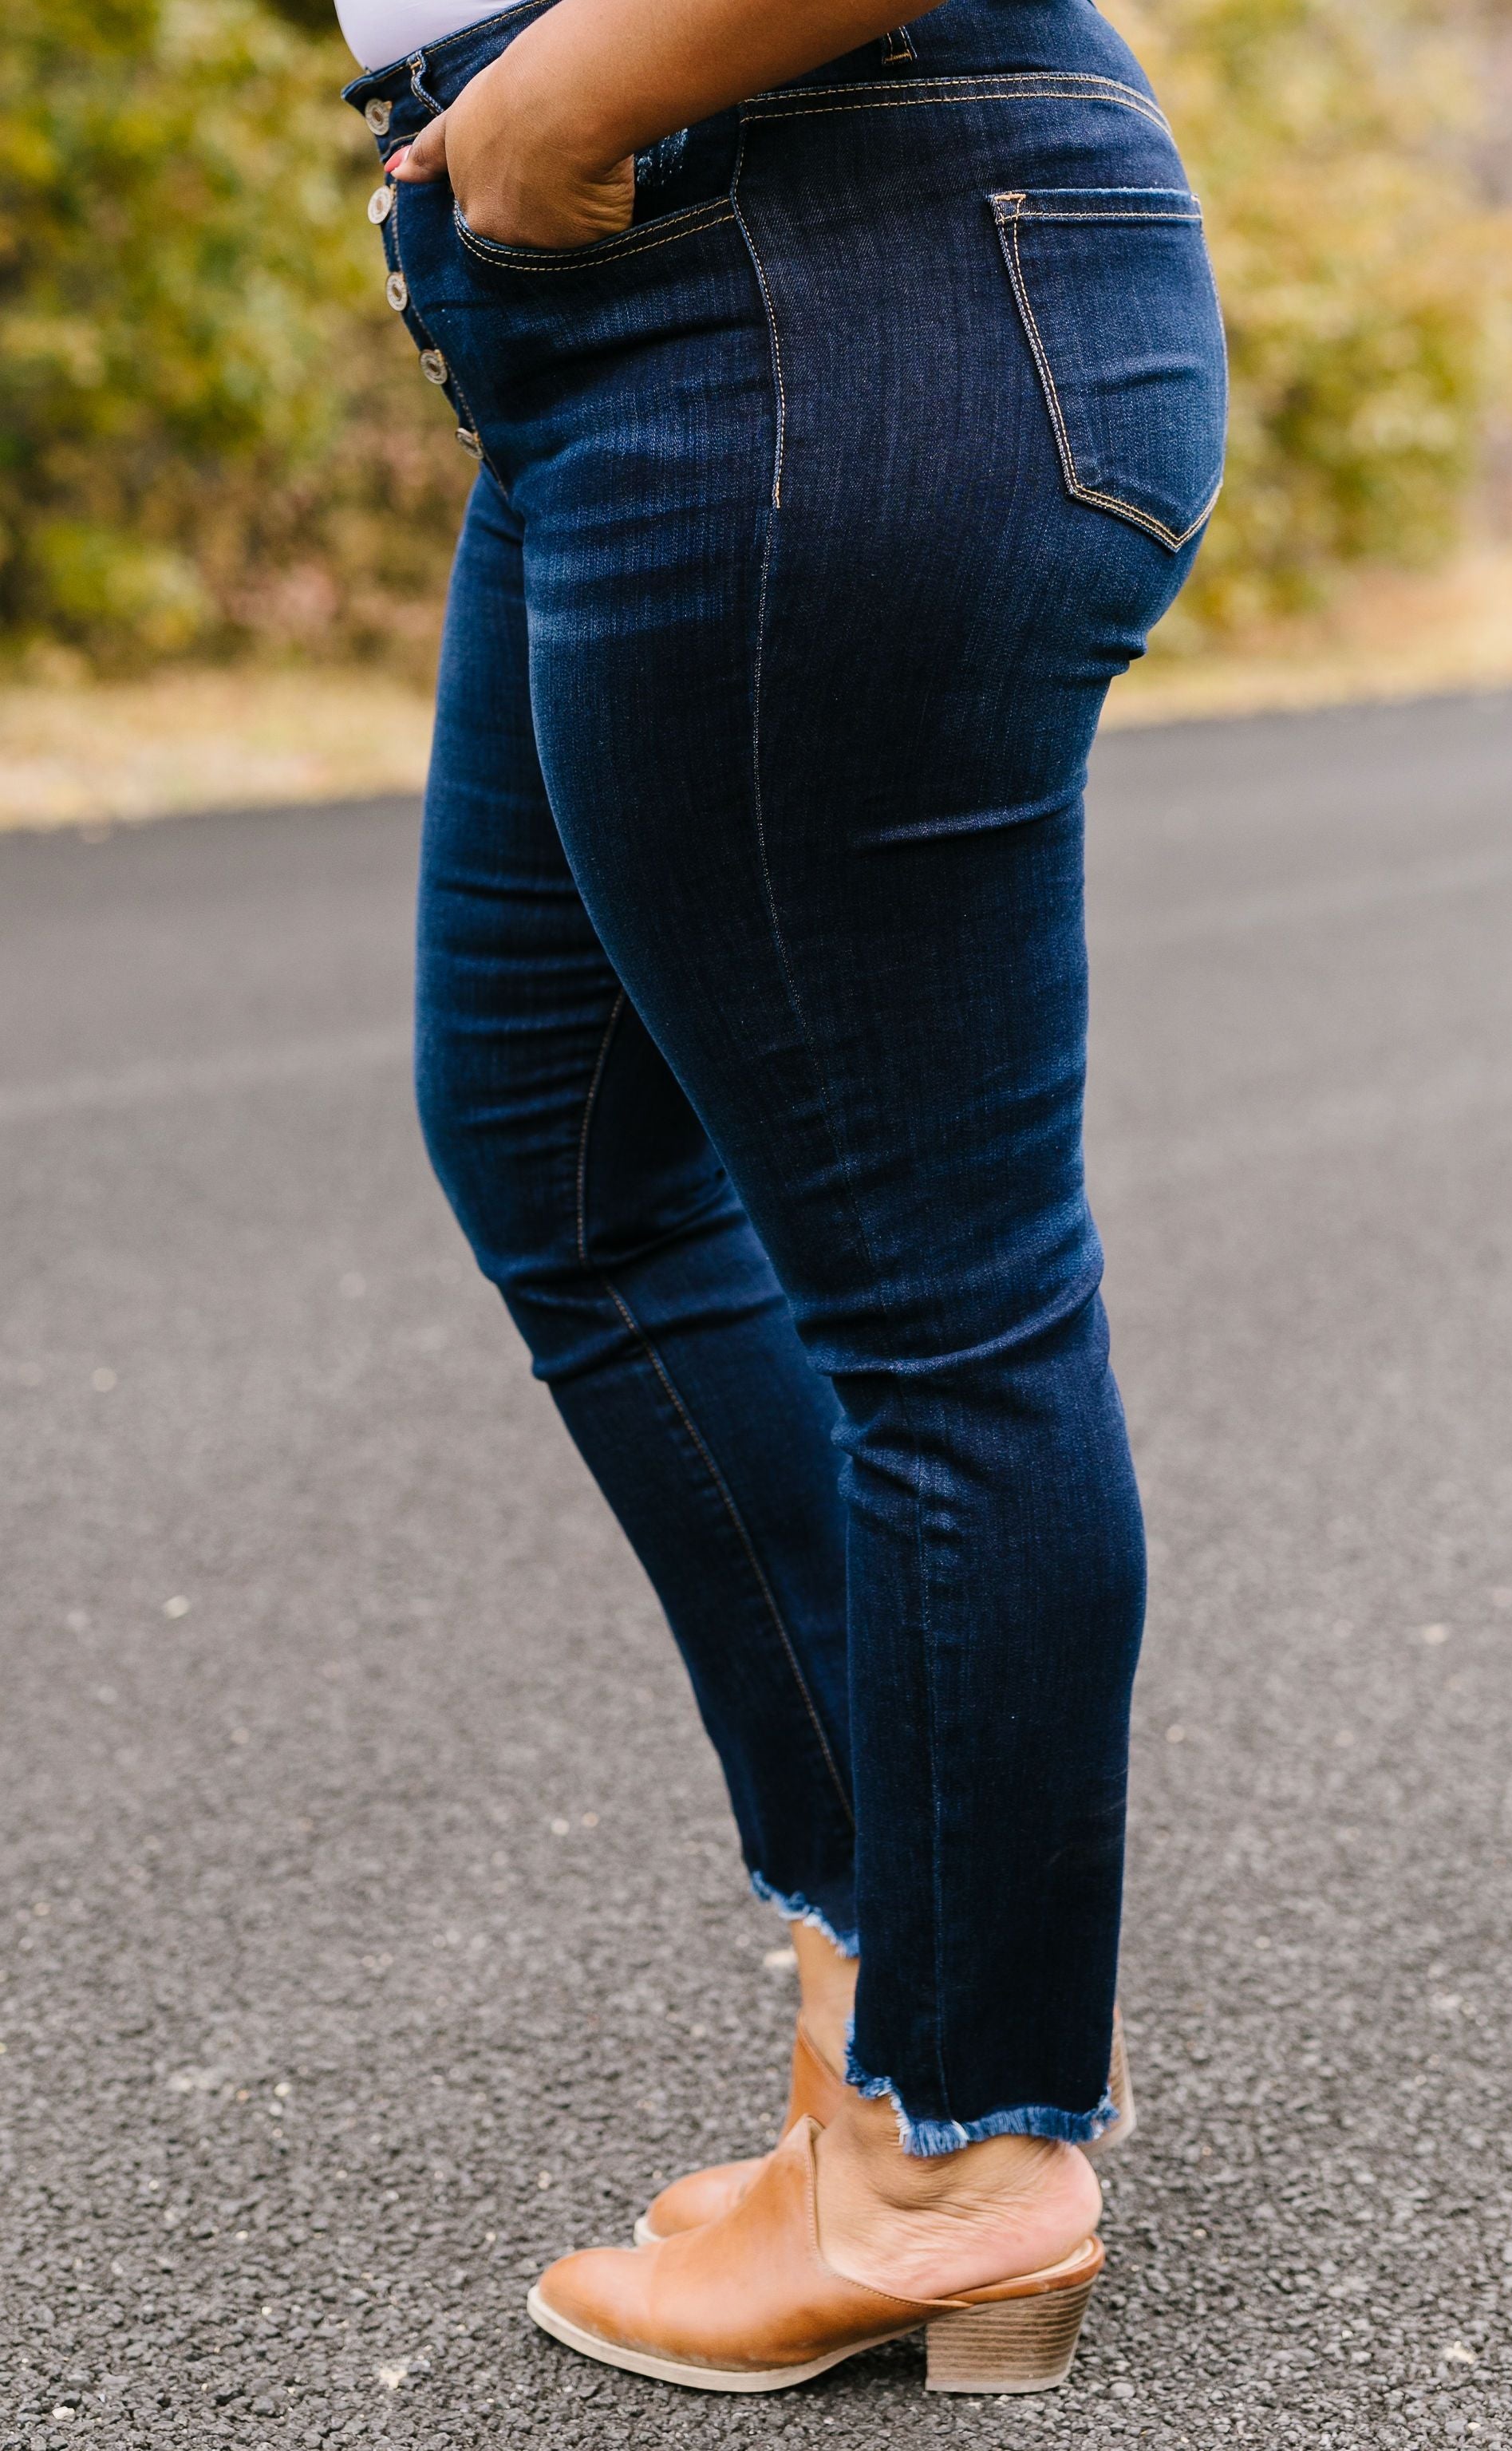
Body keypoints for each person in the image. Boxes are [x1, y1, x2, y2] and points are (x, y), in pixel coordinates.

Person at [338, 0, 1226, 2396]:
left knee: (943, 1302)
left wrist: (558, 101)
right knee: (568, 1157)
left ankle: (959, 2165)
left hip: (799, 235)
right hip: (668, 277)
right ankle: (886, 2051)